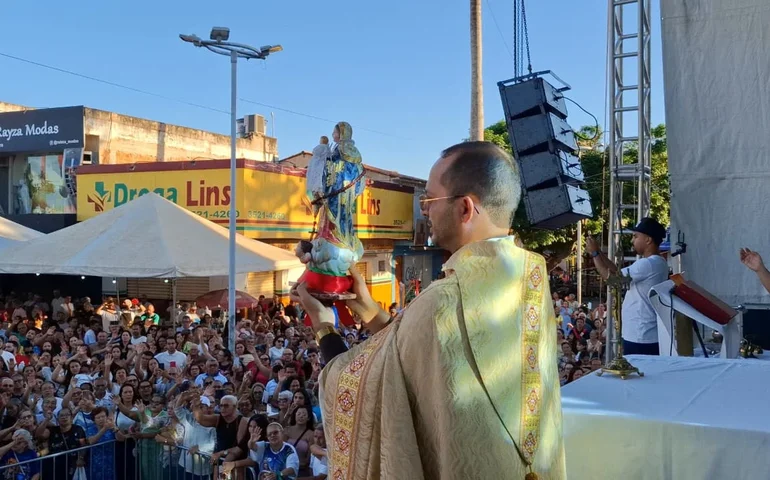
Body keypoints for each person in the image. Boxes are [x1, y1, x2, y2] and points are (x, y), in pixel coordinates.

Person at [292, 141, 565, 479]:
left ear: (465, 208)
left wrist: (323, 327)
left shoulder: (445, 299)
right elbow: (421, 355)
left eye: (430, 200)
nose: (424, 212)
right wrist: (368, 309)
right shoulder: (531, 276)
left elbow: (352, 386)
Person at [586, 217, 669, 355]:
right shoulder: (655, 263)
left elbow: (612, 279)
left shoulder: (647, 264)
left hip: (641, 335)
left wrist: (594, 254)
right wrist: (599, 252)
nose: (632, 241)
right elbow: (617, 272)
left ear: (648, 240)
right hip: (642, 333)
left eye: (635, 237)